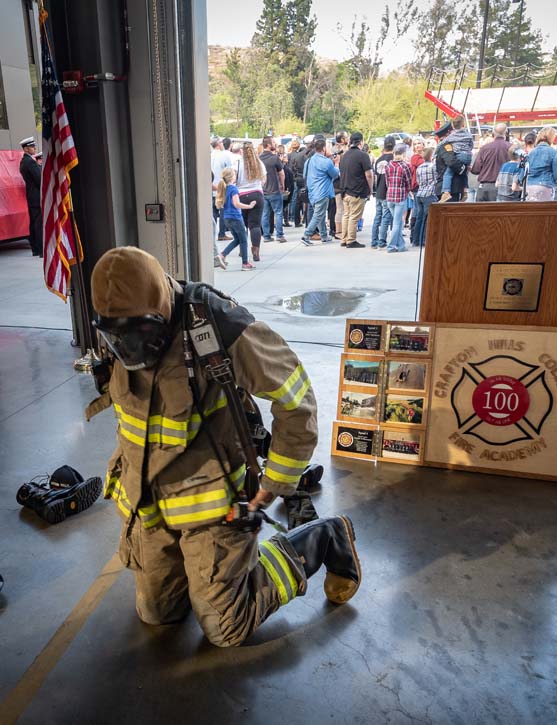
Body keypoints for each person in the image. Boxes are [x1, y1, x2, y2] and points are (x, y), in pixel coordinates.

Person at [89, 246, 361, 648]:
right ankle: (197, 574)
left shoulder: (218, 329)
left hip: (213, 507)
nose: (129, 349)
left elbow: (296, 398)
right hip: (148, 507)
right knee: (157, 613)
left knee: (225, 628)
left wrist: (275, 484)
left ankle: (322, 539)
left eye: (140, 333)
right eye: (117, 336)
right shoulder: (117, 334)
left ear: (162, 310)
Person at [216, 167, 257, 270]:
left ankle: (222, 255)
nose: (235, 177)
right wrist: (249, 206)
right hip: (236, 217)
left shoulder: (224, 189)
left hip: (227, 217)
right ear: (231, 177)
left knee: (238, 239)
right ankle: (245, 263)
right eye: (234, 175)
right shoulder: (233, 189)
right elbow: (236, 203)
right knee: (243, 240)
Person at [301, 138, 339, 246]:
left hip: (312, 192)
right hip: (322, 192)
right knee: (318, 215)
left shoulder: (309, 161)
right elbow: (335, 174)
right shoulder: (326, 162)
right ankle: (306, 235)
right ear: (323, 148)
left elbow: (304, 175)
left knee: (320, 214)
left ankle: (324, 236)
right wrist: (336, 163)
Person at [339, 131, 373, 249]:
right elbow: (369, 174)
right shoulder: (363, 155)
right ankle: (351, 240)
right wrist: (370, 189)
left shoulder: (344, 156)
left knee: (346, 215)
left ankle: (344, 238)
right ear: (361, 142)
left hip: (345, 190)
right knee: (354, 216)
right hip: (357, 191)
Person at [237, 143, 266, 262]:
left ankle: (242, 248)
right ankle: (256, 250)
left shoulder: (238, 163)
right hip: (257, 194)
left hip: (241, 195)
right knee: (255, 225)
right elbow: (264, 180)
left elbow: (234, 178)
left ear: (242, 151)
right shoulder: (259, 163)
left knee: (243, 225)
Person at [470, 123, 511, 201]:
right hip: (504, 188)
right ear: (506, 133)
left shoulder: (484, 149)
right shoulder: (511, 148)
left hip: (484, 188)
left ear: (493, 134)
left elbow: (476, 170)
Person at [524, 127, 557, 201]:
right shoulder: (555, 153)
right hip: (545, 186)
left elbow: (523, 175)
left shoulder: (530, 153)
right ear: (551, 138)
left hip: (529, 187)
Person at [384, 147, 413, 253]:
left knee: (399, 222)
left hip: (390, 196)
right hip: (400, 196)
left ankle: (401, 246)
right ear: (403, 154)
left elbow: (387, 181)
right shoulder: (405, 166)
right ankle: (391, 246)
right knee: (397, 223)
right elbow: (408, 183)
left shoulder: (388, 165)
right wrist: (407, 191)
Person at [259, 137, 287, 243]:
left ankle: (266, 235)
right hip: (274, 189)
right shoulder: (275, 158)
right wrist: (282, 185)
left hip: (262, 190)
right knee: (278, 212)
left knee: (265, 213)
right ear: (269, 145)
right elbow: (281, 173)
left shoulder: (259, 158)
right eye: (274, 142)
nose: (275, 144)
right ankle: (279, 235)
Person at [439, 115, 473, 202]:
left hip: (458, 155)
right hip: (467, 156)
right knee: (464, 172)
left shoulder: (452, 136)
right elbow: (471, 144)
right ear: (463, 125)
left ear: (453, 126)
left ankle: (446, 192)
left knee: (448, 174)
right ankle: (465, 190)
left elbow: (442, 144)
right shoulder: (468, 135)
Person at [19, 137, 42, 257]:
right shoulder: (30, 162)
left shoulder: (24, 162)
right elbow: (39, 179)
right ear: (26, 148)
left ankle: (35, 248)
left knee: (34, 223)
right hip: (36, 196)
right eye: (33, 147)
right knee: (38, 224)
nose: (35, 148)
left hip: (31, 196)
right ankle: (40, 249)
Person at [432, 122, 467, 202]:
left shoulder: (444, 146)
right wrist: (463, 168)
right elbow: (451, 161)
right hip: (450, 188)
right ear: (449, 133)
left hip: (449, 187)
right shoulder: (446, 146)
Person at [371, 136, 395, 249]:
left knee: (378, 216)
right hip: (388, 191)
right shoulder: (393, 160)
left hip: (379, 190)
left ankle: (374, 240)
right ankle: (382, 240)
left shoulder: (379, 160)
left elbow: (375, 177)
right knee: (386, 216)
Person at [411, 146, 437, 247]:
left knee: (419, 218)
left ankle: (416, 240)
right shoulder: (433, 166)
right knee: (427, 218)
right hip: (429, 194)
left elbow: (417, 181)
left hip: (420, 193)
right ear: (431, 156)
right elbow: (436, 179)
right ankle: (424, 240)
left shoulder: (420, 167)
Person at [210, 138, 232, 242]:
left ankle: (212, 233)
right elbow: (229, 171)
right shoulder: (224, 156)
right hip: (221, 187)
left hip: (211, 187)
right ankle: (222, 233)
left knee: (213, 212)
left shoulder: (209, 155)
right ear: (218, 144)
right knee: (223, 210)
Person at [287, 139, 304, 227]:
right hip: (295, 177)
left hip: (290, 177)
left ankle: (290, 216)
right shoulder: (298, 155)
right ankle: (293, 216)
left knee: (291, 198)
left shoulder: (289, 155)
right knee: (295, 197)